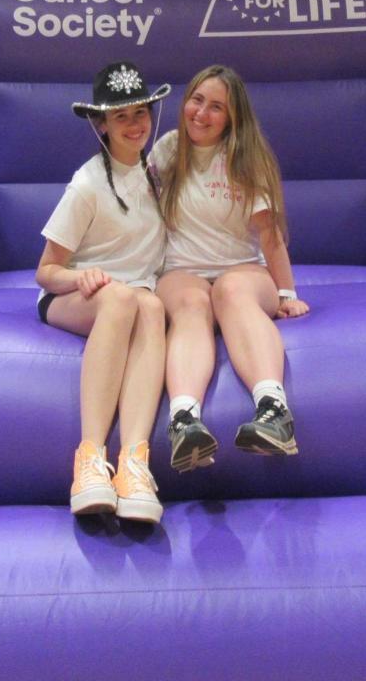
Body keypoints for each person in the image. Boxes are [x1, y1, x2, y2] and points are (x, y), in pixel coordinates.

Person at [152, 64, 310, 473]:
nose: (201, 113)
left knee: (229, 291)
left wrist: (287, 293)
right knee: (192, 303)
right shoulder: (168, 150)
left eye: (216, 107)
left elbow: (270, 236)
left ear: (232, 117)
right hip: (182, 270)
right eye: (197, 100)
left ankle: (274, 411)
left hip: (242, 271)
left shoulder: (246, 159)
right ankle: (184, 421)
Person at [36, 61, 170, 523]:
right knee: (122, 297)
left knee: (150, 305)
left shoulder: (158, 173)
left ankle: (134, 462)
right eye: (121, 116)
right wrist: (81, 278)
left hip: (134, 296)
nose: (134, 125)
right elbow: (46, 272)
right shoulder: (87, 184)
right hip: (75, 296)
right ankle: (90, 460)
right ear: (102, 125)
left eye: (140, 113)